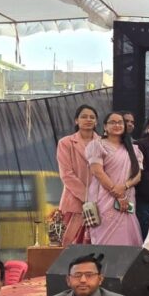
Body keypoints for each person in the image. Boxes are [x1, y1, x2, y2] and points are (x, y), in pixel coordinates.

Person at [85, 111, 144, 246]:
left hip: (127, 199)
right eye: (112, 122)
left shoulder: (134, 149)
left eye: (120, 122)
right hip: (104, 199)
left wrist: (124, 188)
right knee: (105, 240)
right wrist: (118, 194)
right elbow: (98, 172)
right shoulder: (97, 145)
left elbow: (138, 176)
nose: (117, 125)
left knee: (128, 236)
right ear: (105, 126)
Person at [57, 104, 100, 245]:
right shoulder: (65, 143)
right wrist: (87, 197)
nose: (88, 119)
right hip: (73, 201)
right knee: (69, 246)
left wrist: (96, 197)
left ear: (96, 122)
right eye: (84, 117)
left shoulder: (103, 143)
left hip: (100, 202)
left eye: (92, 117)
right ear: (76, 120)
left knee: (95, 245)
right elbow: (66, 174)